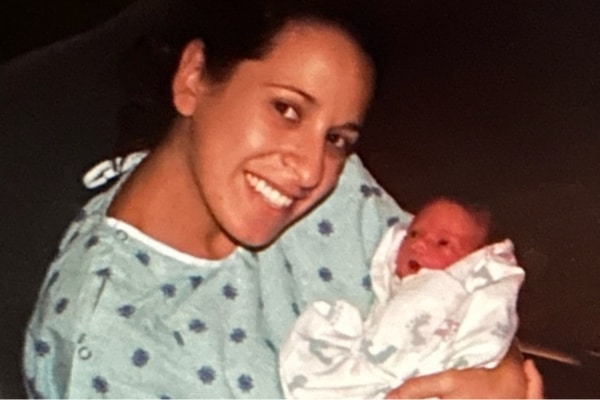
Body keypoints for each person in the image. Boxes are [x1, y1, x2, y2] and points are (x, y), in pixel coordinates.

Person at [23, 1, 542, 398]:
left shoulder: (336, 196)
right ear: (193, 76)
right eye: (287, 110)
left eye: (337, 138)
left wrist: (500, 369)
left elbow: (463, 274)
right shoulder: (105, 348)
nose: (311, 169)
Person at [279, 197, 525, 399]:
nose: (418, 245)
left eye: (442, 243)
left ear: (473, 261)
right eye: (414, 234)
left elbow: (489, 332)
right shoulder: (395, 295)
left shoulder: (457, 289)